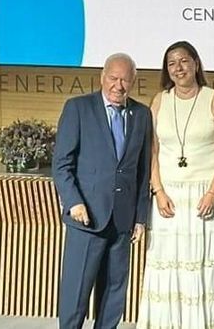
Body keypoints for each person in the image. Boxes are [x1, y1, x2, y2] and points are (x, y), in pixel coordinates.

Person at [138, 41, 214, 328]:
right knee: (169, 263)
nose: (178, 68)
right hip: (169, 195)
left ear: (196, 64)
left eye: (184, 61)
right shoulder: (160, 100)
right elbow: (153, 150)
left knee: (202, 262)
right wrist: (158, 190)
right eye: (172, 63)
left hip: (205, 195)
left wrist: (212, 191)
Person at [53, 52, 154, 329]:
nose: (118, 85)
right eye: (113, 78)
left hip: (123, 222)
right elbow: (62, 164)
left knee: (114, 295)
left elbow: (143, 171)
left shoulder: (142, 114)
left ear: (133, 82)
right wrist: (74, 202)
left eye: (125, 80)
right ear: (102, 77)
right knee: (76, 296)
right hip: (86, 219)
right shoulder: (78, 108)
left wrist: (141, 217)